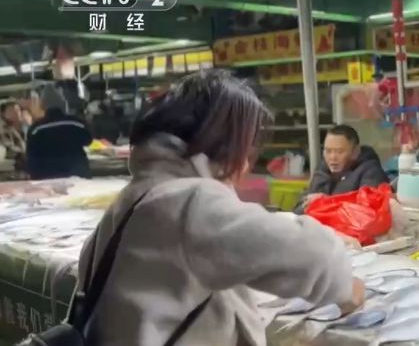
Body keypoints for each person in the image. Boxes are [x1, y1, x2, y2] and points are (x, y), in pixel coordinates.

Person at [76, 71, 364, 345]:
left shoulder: (134, 198)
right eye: (247, 146)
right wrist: (343, 283)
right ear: (223, 142)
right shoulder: (188, 201)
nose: (247, 163)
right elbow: (309, 254)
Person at [299, 124, 389, 205]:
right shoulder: (322, 169)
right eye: (328, 151)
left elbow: (367, 206)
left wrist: (326, 201)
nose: (332, 157)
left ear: (355, 151)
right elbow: (304, 203)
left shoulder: (371, 172)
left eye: (339, 152)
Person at [26, 85, 93, 179]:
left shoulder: (36, 128)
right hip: (77, 173)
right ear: (63, 104)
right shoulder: (77, 123)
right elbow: (88, 140)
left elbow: (31, 155)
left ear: (43, 106)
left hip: (47, 175)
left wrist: (33, 175)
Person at [0, 101, 27, 166]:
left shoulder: (25, 126)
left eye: (18, 110)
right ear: (3, 114)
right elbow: (9, 148)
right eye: (11, 111)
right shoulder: (3, 128)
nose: (16, 113)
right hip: (11, 162)